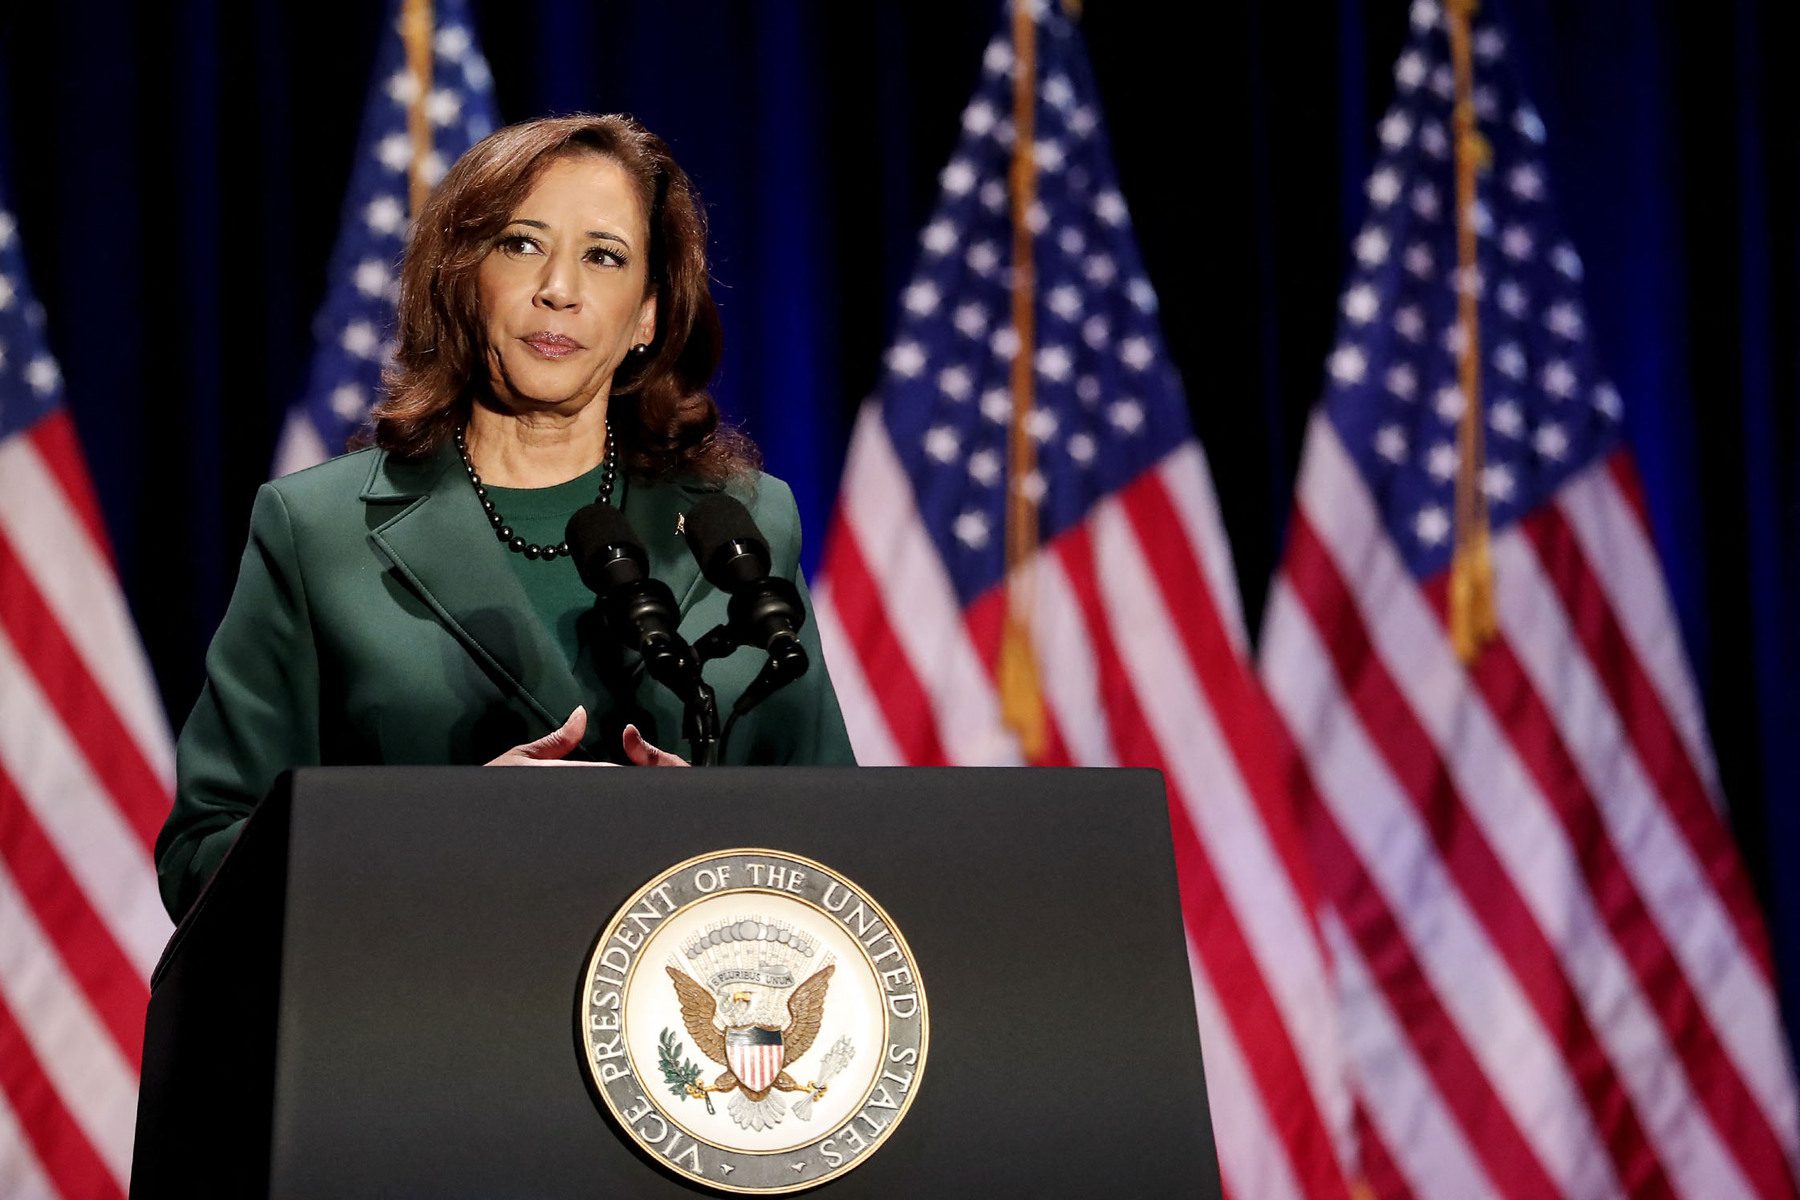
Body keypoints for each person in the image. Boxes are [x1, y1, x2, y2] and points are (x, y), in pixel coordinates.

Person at [155, 114, 855, 921]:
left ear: (648, 316)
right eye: (522, 244)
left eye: (604, 256)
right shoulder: (317, 531)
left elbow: (831, 838)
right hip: (423, 1017)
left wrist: (705, 838)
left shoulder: (741, 522)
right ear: (463, 276)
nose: (559, 287)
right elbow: (203, 856)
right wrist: (450, 832)